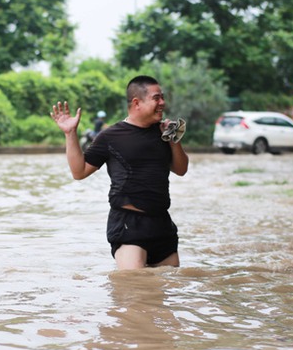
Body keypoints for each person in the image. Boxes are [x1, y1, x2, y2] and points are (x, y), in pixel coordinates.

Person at [50, 75, 189, 270]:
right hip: (128, 224)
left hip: (162, 223)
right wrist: (70, 133)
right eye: (157, 98)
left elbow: (181, 169)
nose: (163, 103)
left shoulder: (163, 132)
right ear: (136, 102)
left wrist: (174, 140)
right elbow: (79, 171)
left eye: (163, 97)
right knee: (133, 286)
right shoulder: (110, 136)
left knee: (167, 288)